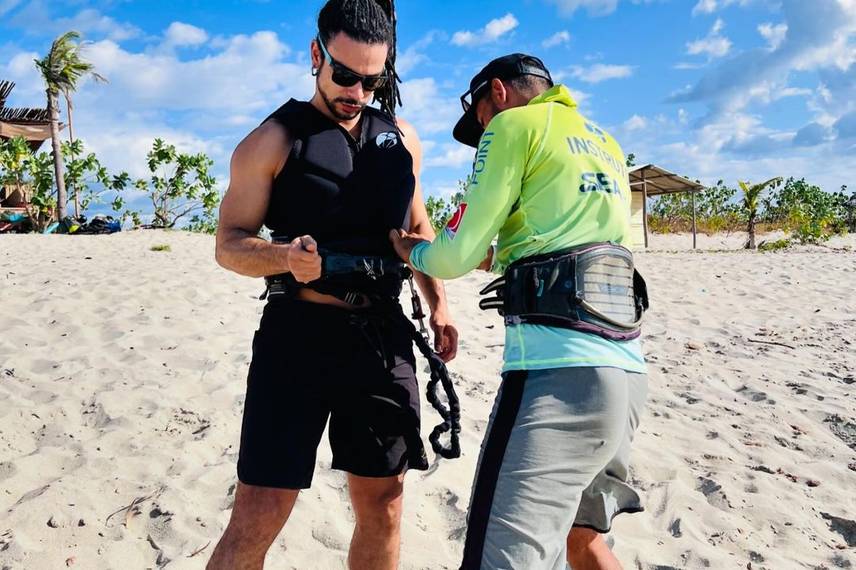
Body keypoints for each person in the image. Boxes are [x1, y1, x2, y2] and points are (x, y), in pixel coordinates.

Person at [207, 2, 458, 569]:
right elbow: (229, 243)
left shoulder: (401, 139)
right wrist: (283, 258)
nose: (357, 92)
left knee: (384, 506)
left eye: (372, 80)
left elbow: (417, 231)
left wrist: (439, 304)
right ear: (316, 55)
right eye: (344, 75)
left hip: (382, 338)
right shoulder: (273, 139)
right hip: (297, 336)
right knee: (260, 511)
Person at [390, 54, 650, 570]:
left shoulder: (513, 125)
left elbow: (453, 255)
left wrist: (411, 250)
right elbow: (576, 243)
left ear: (498, 92)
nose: (483, 133)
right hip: (627, 374)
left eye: (481, 120)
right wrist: (502, 255)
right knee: (583, 540)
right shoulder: (604, 141)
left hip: (557, 375)